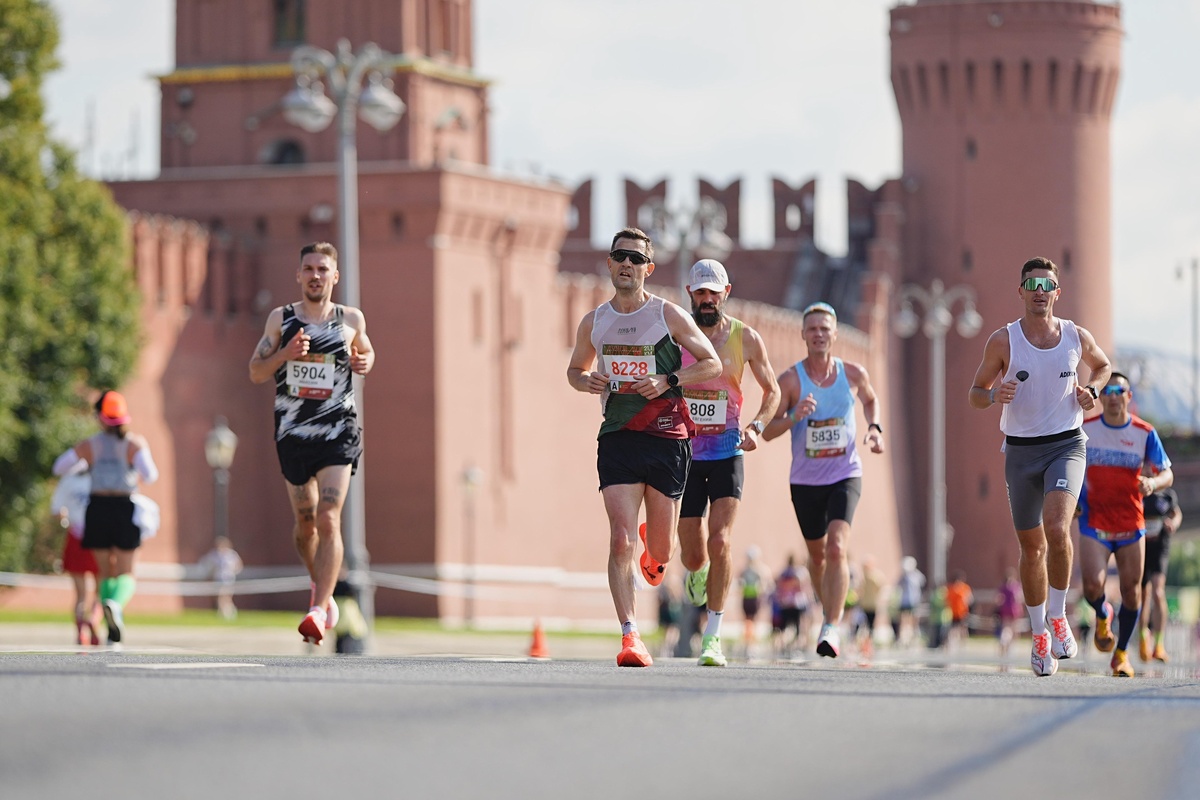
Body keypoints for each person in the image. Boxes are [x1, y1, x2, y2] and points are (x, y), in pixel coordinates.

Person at [566, 227, 721, 667]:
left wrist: (667, 380)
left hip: (668, 438)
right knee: (619, 540)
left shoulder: (667, 315)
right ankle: (630, 635)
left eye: (636, 259)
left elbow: (709, 362)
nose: (627, 265)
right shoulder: (594, 321)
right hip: (617, 436)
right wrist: (586, 381)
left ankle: (655, 545)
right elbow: (575, 370)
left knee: (662, 552)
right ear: (610, 264)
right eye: (620, 257)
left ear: (648, 269)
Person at [968, 256, 1111, 676]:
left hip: (1067, 444)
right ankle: (1039, 634)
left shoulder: (1075, 336)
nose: (1039, 293)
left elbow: (1102, 367)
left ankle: (1059, 614)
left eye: (1045, 286)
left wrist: (1092, 391)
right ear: (1021, 292)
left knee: (1056, 527)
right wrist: (995, 396)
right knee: (1032, 548)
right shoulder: (1003, 341)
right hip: (1020, 451)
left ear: (1056, 293)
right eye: (1031, 286)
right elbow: (975, 392)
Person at [249, 241, 375, 645]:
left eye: (323, 269)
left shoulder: (350, 318)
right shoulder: (281, 319)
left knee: (329, 517)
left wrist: (363, 362)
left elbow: (367, 353)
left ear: (335, 276)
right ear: (298, 275)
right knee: (305, 527)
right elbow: (255, 371)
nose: (316, 275)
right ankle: (319, 585)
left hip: (338, 430)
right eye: (309, 269)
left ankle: (319, 609)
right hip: (293, 433)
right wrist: (285, 354)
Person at [673, 259, 781, 667]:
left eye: (712, 293)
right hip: (683, 454)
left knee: (720, 540)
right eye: (699, 292)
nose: (706, 299)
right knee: (692, 554)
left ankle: (713, 636)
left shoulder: (746, 338)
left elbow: (772, 391)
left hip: (727, 452)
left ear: (726, 293)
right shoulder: (677, 337)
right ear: (690, 294)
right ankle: (698, 574)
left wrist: (756, 427)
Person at [763, 301, 885, 659]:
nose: (818, 334)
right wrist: (794, 416)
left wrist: (875, 429)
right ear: (803, 335)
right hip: (804, 481)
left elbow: (871, 400)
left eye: (824, 328)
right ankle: (828, 611)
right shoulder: (790, 380)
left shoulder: (853, 373)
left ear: (834, 334)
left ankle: (831, 625)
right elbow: (769, 431)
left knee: (836, 547)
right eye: (812, 328)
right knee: (817, 558)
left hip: (845, 473)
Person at [1077, 372, 1173, 677]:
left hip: (1131, 524)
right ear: (1101, 397)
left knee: (1133, 593)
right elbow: (1069, 463)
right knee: (1092, 584)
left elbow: (1167, 474)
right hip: (1095, 520)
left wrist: (1153, 483)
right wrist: (1073, 497)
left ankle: (1121, 655)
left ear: (1129, 397)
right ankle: (1103, 613)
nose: (1114, 395)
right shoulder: (1085, 429)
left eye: (1120, 390)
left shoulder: (1145, 432)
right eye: (1108, 390)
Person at [52, 391, 160, 645]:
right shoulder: (134, 444)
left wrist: (86, 466)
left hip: (97, 508)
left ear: (100, 417)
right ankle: (115, 605)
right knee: (127, 572)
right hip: (124, 507)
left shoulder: (90, 444)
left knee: (105, 570)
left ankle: (111, 620)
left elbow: (59, 467)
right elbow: (151, 474)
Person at [50, 471, 100, 645]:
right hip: (99, 538)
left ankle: (81, 630)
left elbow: (57, 511)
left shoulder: (68, 480)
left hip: (76, 536)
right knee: (101, 592)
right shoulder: (101, 477)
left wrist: (68, 517)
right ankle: (93, 619)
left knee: (81, 594)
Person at [1139, 487, 1181, 662]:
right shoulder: (1139, 491)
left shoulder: (1168, 494)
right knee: (1142, 594)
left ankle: (1159, 645)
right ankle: (1143, 640)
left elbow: (1177, 514)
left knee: (1158, 592)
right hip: (1141, 544)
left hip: (1160, 546)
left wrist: (1174, 523)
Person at [736, 545, 773, 660]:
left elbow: (766, 582)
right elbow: (740, 583)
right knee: (748, 621)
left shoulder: (758, 570)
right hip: (748, 598)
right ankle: (748, 644)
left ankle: (751, 645)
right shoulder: (747, 570)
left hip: (754, 598)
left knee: (752, 621)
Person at [200, 536, 244, 620]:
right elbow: (207, 564)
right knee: (220, 596)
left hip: (228, 579)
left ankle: (227, 612)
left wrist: (233, 571)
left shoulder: (231, 555)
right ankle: (225, 612)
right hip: (218, 578)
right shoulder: (214, 554)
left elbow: (238, 566)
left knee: (225, 596)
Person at [855, 555, 885, 656]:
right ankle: (865, 645)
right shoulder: (870, 576)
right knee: (866, 626)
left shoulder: (870, 576)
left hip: (869, 604)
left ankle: (867, 645)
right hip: (868, 604)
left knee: (866, 626)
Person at [895, 555, 926, 647]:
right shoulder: (903, 576)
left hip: (914, 600)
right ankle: (902, 637)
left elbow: (922, 585)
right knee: (903, 619)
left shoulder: (917, 575)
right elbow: (897, 585)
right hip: (904, 601)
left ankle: (913, 637)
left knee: (914, 619)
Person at [996, 567, 1023, 657]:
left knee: (1006, 628)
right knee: (1014, 630)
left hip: (1005, 610)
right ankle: (1010, 650)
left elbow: (998, 599)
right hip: (1014, 610)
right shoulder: (1015, 586)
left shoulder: (1003, 587)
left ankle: (1004, 642)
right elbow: (1018, 598)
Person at [944, 570, 974, 650]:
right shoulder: (959, 588)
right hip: (956, 612)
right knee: (956, 629)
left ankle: (961, 644)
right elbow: (969, 600)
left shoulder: (958, 588)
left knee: (962, 629)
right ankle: (955, 644)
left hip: (961, 612)